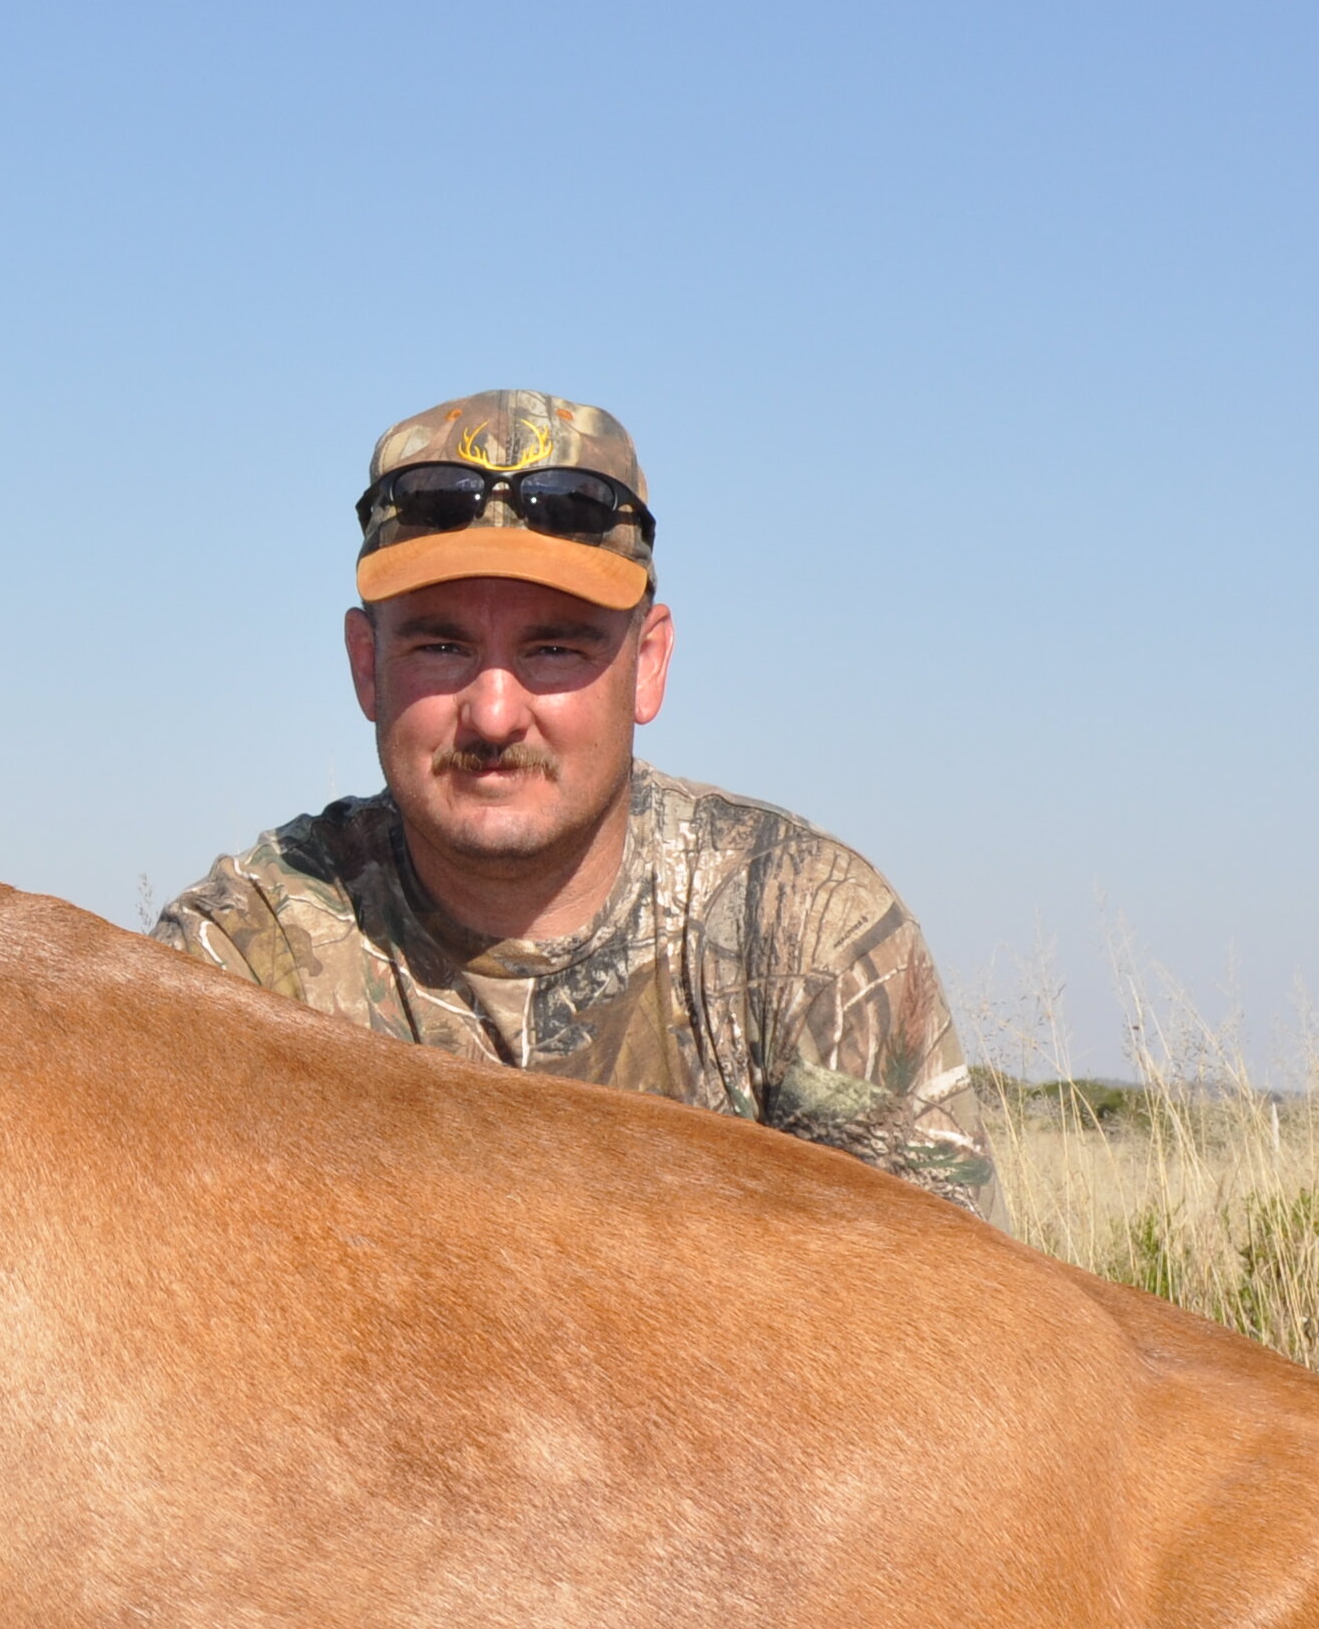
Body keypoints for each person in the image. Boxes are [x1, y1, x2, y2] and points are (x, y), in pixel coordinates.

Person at [154, 388, 1004, 1224]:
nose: (493, 712)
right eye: (440, 645)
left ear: (650, 664)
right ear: (365, 664)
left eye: (554, 648)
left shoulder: (807, 934)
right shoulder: (243, 959)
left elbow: (943, 1328)